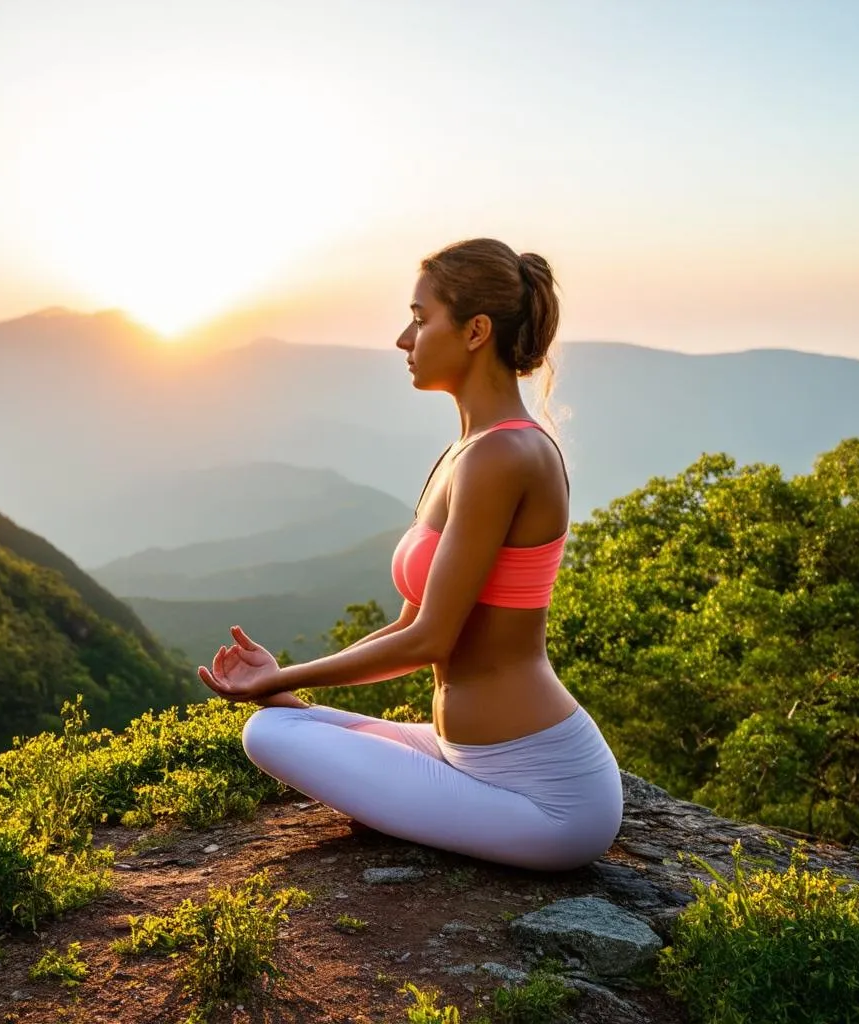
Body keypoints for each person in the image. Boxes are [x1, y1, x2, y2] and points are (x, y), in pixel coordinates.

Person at [198, 238, 623, 871]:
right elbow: (406, 623)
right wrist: (284, 682)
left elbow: (431, 639)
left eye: (422, 319)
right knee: (283, 723)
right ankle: (302, 713)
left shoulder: (505, 455)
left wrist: (277, 679)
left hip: (548, 797)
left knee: (265, 731)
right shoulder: (465, 452)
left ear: (476, 331)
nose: (404, 338)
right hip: (469, 754)